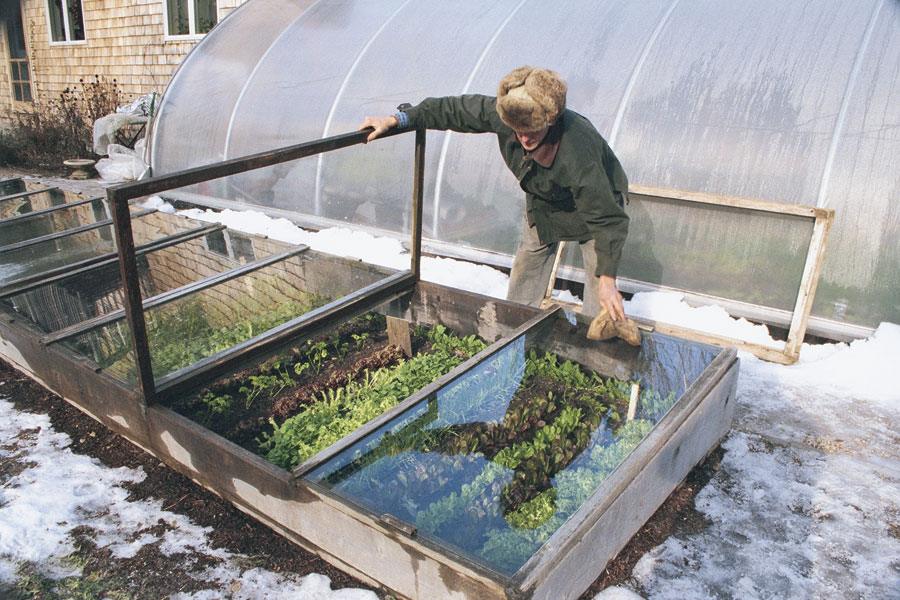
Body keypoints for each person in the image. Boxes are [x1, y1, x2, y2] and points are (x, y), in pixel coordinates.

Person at [360, 66, 630, 322]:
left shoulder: (577, 150)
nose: (524, 138)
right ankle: (515, 333)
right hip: (546, 200)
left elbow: (606, 219)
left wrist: (607, 278)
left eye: (532, 130)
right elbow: (452, 110)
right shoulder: (509, 113)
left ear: (550, 119)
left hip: (597, 206)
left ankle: (595, 353)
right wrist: (399, 119)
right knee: (527, 270)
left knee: (601, 291)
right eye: (518, 131)